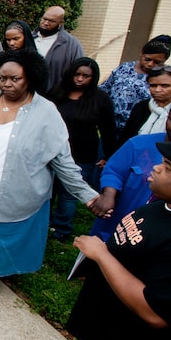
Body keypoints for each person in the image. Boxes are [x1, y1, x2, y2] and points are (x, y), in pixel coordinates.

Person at [0, 50, 99, 309]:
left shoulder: (46, 112)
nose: (6, 84)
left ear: (31, 78)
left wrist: (88, 195)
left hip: (9, 196)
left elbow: (62, 160)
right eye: (2, 78)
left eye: (14, 79)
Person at [66, 141, 171, 340]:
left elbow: (155, 312)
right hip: (100, 338)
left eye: (168, 168)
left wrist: (102, 256)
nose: (155, 168)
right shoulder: (162, 205)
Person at [87, 95, 171, 242]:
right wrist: (109, 194)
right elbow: (114, 171)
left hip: (164, 233)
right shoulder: (139, 144)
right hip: (120, 222)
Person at [47, 57, 117, 241]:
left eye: (86, 76)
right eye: (77, 74)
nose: (80, 79)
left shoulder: (100, 98)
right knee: (47, 191)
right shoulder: (56, 93)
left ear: (93, 78)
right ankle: (43, 222)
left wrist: (109, 155)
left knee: (69, 193)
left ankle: (61, 228)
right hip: (51, 151)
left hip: (82, 153)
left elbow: (108, 129)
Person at [99, 35, 171, 132]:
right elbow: (104, 90)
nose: (150, 64)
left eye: (157, 62)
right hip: (110, 126)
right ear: (141, 53)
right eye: (147, 59)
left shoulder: (169, 76)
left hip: (142, 127)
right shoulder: (124, 69)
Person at [118, 65, 171, 146]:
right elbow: (125, 137)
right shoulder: (142, 107)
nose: (157, 90)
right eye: (153, 86)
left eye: (164, 86)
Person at [32, 5, 84, 93]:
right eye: (44, 19)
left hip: (52, 97)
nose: (46, 23)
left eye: (51, 21)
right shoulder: (27, 38)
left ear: (61, 23)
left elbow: (78, 71)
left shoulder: (72, 45)